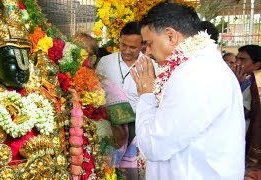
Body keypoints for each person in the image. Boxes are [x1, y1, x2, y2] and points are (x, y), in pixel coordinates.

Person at [130, 2, 245, 180]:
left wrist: (146, 95)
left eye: (149, 44)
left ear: (170, 36)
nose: (148, 52)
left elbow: (155, 146)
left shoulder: (195, 75)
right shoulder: (196, 67)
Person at [96, 21, 146, 179]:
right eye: (123, 45)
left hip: (137, 129)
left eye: (133, 47)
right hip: (111, 127)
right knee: (108, 169)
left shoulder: (150, 65)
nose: (127, 51)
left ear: (142, 46)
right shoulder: (106, 62)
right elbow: (97, 89)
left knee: (131, 172)